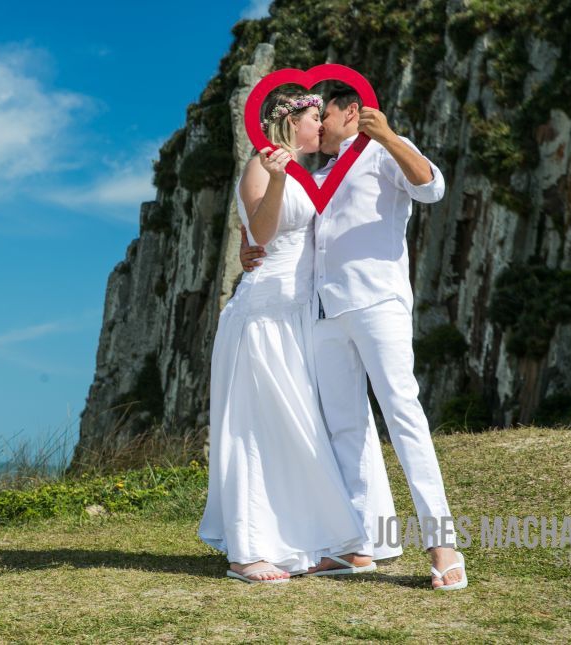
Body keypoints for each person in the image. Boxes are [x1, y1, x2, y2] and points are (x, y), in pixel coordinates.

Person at [240, 85, 468, 590]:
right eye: (311, 115)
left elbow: (432, 187)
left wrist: (387, 134)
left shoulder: (382, 152)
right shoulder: (312, 172)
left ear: (352, 111)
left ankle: (443, 545)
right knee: (345, 427)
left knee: (403, 415)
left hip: (377, 303)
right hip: (323, 313)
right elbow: (275, 224)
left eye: (325, 113)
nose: (318, 123)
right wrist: (244, 244)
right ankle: (356, 547)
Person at [198, 92, 373, 584]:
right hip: (265, 312)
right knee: (256, 427)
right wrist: (276, 180)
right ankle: (246, 551)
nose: (322, 126)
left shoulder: (313, 174)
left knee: (299, 428)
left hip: (304, 314)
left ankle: (313, 540)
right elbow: (260, 232)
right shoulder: (263, 165)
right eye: (315, 118)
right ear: (289, 122)